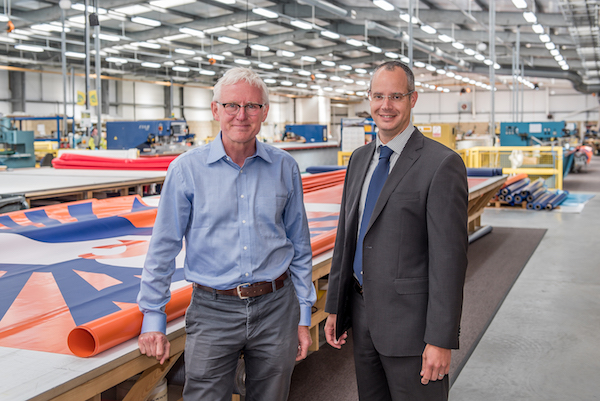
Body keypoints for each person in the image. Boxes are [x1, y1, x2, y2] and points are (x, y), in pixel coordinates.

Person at [137, 67, 316, 401]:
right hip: (212, 308)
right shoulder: (186, 170)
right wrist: (152, 317)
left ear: (264, 112)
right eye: (232, 105)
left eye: (252, 106)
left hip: (276, 307)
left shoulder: (284, 167)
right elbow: (164, 246)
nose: (242, 115)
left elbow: (300, 246)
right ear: (215, 109)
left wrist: (303, 316)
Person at [324, 61, 468, 400]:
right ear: (368, 99)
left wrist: (441, 339)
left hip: (413, 330)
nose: (385, 106)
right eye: (378, 96)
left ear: (412, 99)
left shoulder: (441, 164)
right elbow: (348, 240)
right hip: (362, 317)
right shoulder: (359, 159)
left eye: (396, 96)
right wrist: (336, 306)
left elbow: (449, 262)